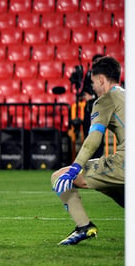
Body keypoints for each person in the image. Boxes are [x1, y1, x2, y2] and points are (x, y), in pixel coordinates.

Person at [52, 56, 124, 245]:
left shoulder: (104, 101)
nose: (92, 87)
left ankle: (84, 226)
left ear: (101, 79)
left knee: (58, 176)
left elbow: (93, 139)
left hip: (125, 163)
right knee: (109, 185)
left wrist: (75, 168)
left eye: (92, 82)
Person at [79, 54, 104, 159]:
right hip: (89, 108)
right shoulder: (89, 74)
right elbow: (83, 91)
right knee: (87, 134)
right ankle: (88, 160)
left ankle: (97, 160)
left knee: (98, 134)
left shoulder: (105, 77)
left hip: (100, 109)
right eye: (95, 62)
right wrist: (84, 95)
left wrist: (92, 97)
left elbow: (105, 93)